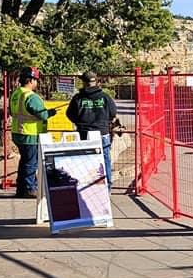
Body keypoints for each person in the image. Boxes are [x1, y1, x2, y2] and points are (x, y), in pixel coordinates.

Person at [8, 66, 56, 198]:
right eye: (36, 80)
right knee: (31, 163)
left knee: (24, 162)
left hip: (17, 132)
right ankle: (29, 189)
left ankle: (21, 188)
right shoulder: (31, 96)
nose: (36, 83)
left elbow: (12, 112)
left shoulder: (16, 94)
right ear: (30, 81)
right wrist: (50, 113)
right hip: (30, 134)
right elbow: (42, 115)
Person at [66, 71, 117, 191]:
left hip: (84, 133)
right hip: (102, 133)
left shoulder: (78, 98)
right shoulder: (105, 97)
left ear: (83, 82)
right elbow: (113, 113)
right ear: (96, 82)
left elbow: (69, 114)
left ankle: (86, 186)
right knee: (105, 160)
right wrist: (104, 122)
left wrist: (79, 123)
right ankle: (107, 186)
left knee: (85, 160)